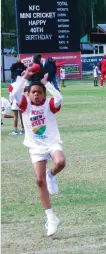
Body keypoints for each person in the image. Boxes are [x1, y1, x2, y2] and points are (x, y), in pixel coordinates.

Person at [11, 67, 65, 237]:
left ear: (43, 94)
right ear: (28, 94)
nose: (36, 95)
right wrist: (25, 76)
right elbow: (15, 93)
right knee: (39, 181)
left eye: (39, 92)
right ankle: (51, 217)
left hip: (52, 143)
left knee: (60, 162)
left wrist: (46, 83)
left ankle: (52, 174)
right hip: (35, 147)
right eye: (33, 92)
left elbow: (59, 97)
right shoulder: (25, 105)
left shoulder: (49, 104)